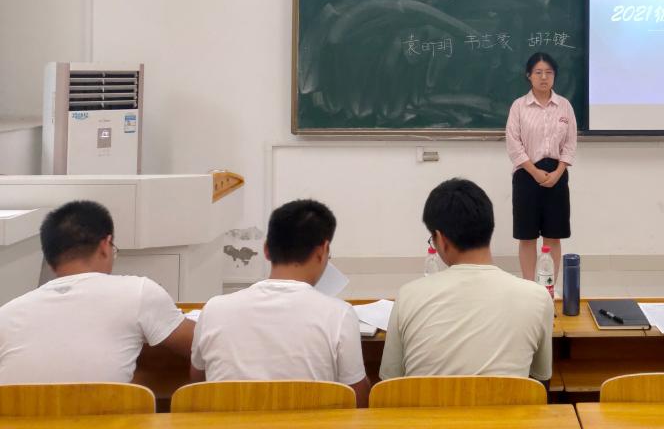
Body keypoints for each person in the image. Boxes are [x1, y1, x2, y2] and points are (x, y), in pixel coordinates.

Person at [190, 199, 370, 406]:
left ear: (266, 249)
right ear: (323, 251)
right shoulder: (339, 315)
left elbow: (198, 385)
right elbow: (358, 399)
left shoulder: (213, 309)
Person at [0, 200, 194, 384]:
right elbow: (200, 346)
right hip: (108, 409)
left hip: (20, 410)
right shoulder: (138, 292)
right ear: (105, 246)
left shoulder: (7, 315)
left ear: (50, 262)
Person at [379, 178, 553, 382]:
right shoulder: (538, 298)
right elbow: (541, 379)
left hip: (430, 404)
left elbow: (389, 383)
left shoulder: (408, 296)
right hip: (506, 404)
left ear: (440, 239)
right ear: (489, 227)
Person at [506, 51, 577, 284]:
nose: (544, 77)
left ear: (554, 76)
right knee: (527, 237)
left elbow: (570, 144)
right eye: (538, 72)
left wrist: (558, 172)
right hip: (526, 175)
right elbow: (513, 144)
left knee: (553, 236)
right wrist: (535, 172)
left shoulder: (564, 106)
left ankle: (549, 287)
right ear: (529, 75)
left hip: (557, 175)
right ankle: (529, 286)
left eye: (549, 72)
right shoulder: (519, 106)